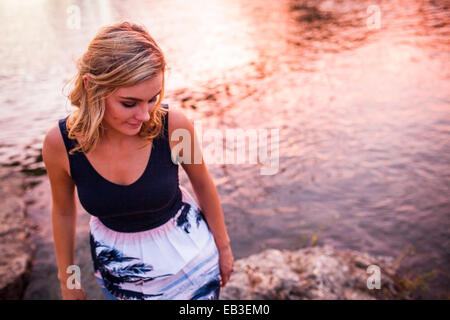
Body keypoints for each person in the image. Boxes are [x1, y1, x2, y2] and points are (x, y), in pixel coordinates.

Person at [42, 21, 234, 300]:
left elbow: (203, 184)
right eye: (129, 103)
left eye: (152, 99)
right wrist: (68, 280)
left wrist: (224, 248)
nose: (144, 115)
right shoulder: (59, 143)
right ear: (91, 86)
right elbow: (62, 212)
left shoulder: (175, 126)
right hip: (120, 278)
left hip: (191, 268)